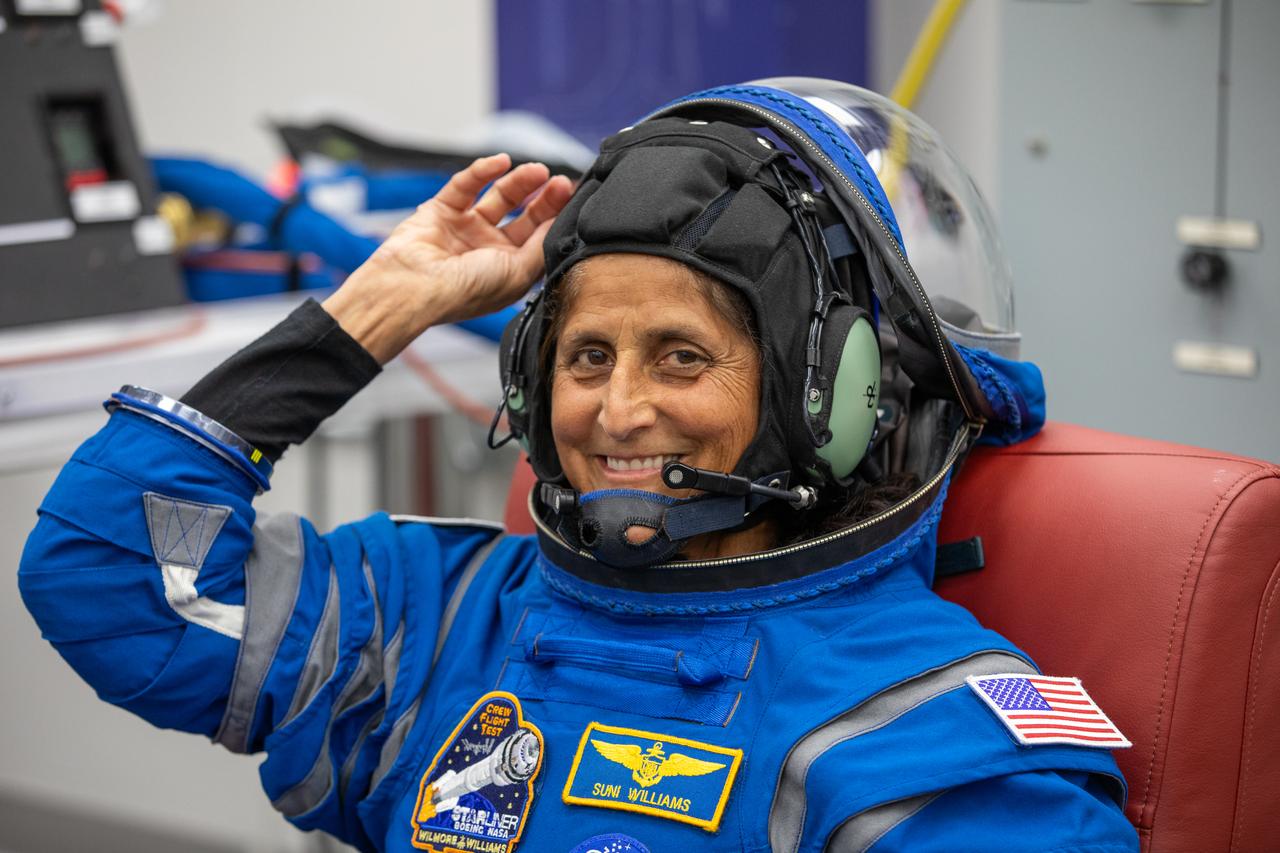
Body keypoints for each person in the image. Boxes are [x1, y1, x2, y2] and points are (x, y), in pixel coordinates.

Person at [19, 80, 1138, 852]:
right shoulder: (430, 621)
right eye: (585, 354)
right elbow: (108, 575)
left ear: (828, 402)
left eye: (681, 357)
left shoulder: (928, 741)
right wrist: (378, 306)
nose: (616, 408)